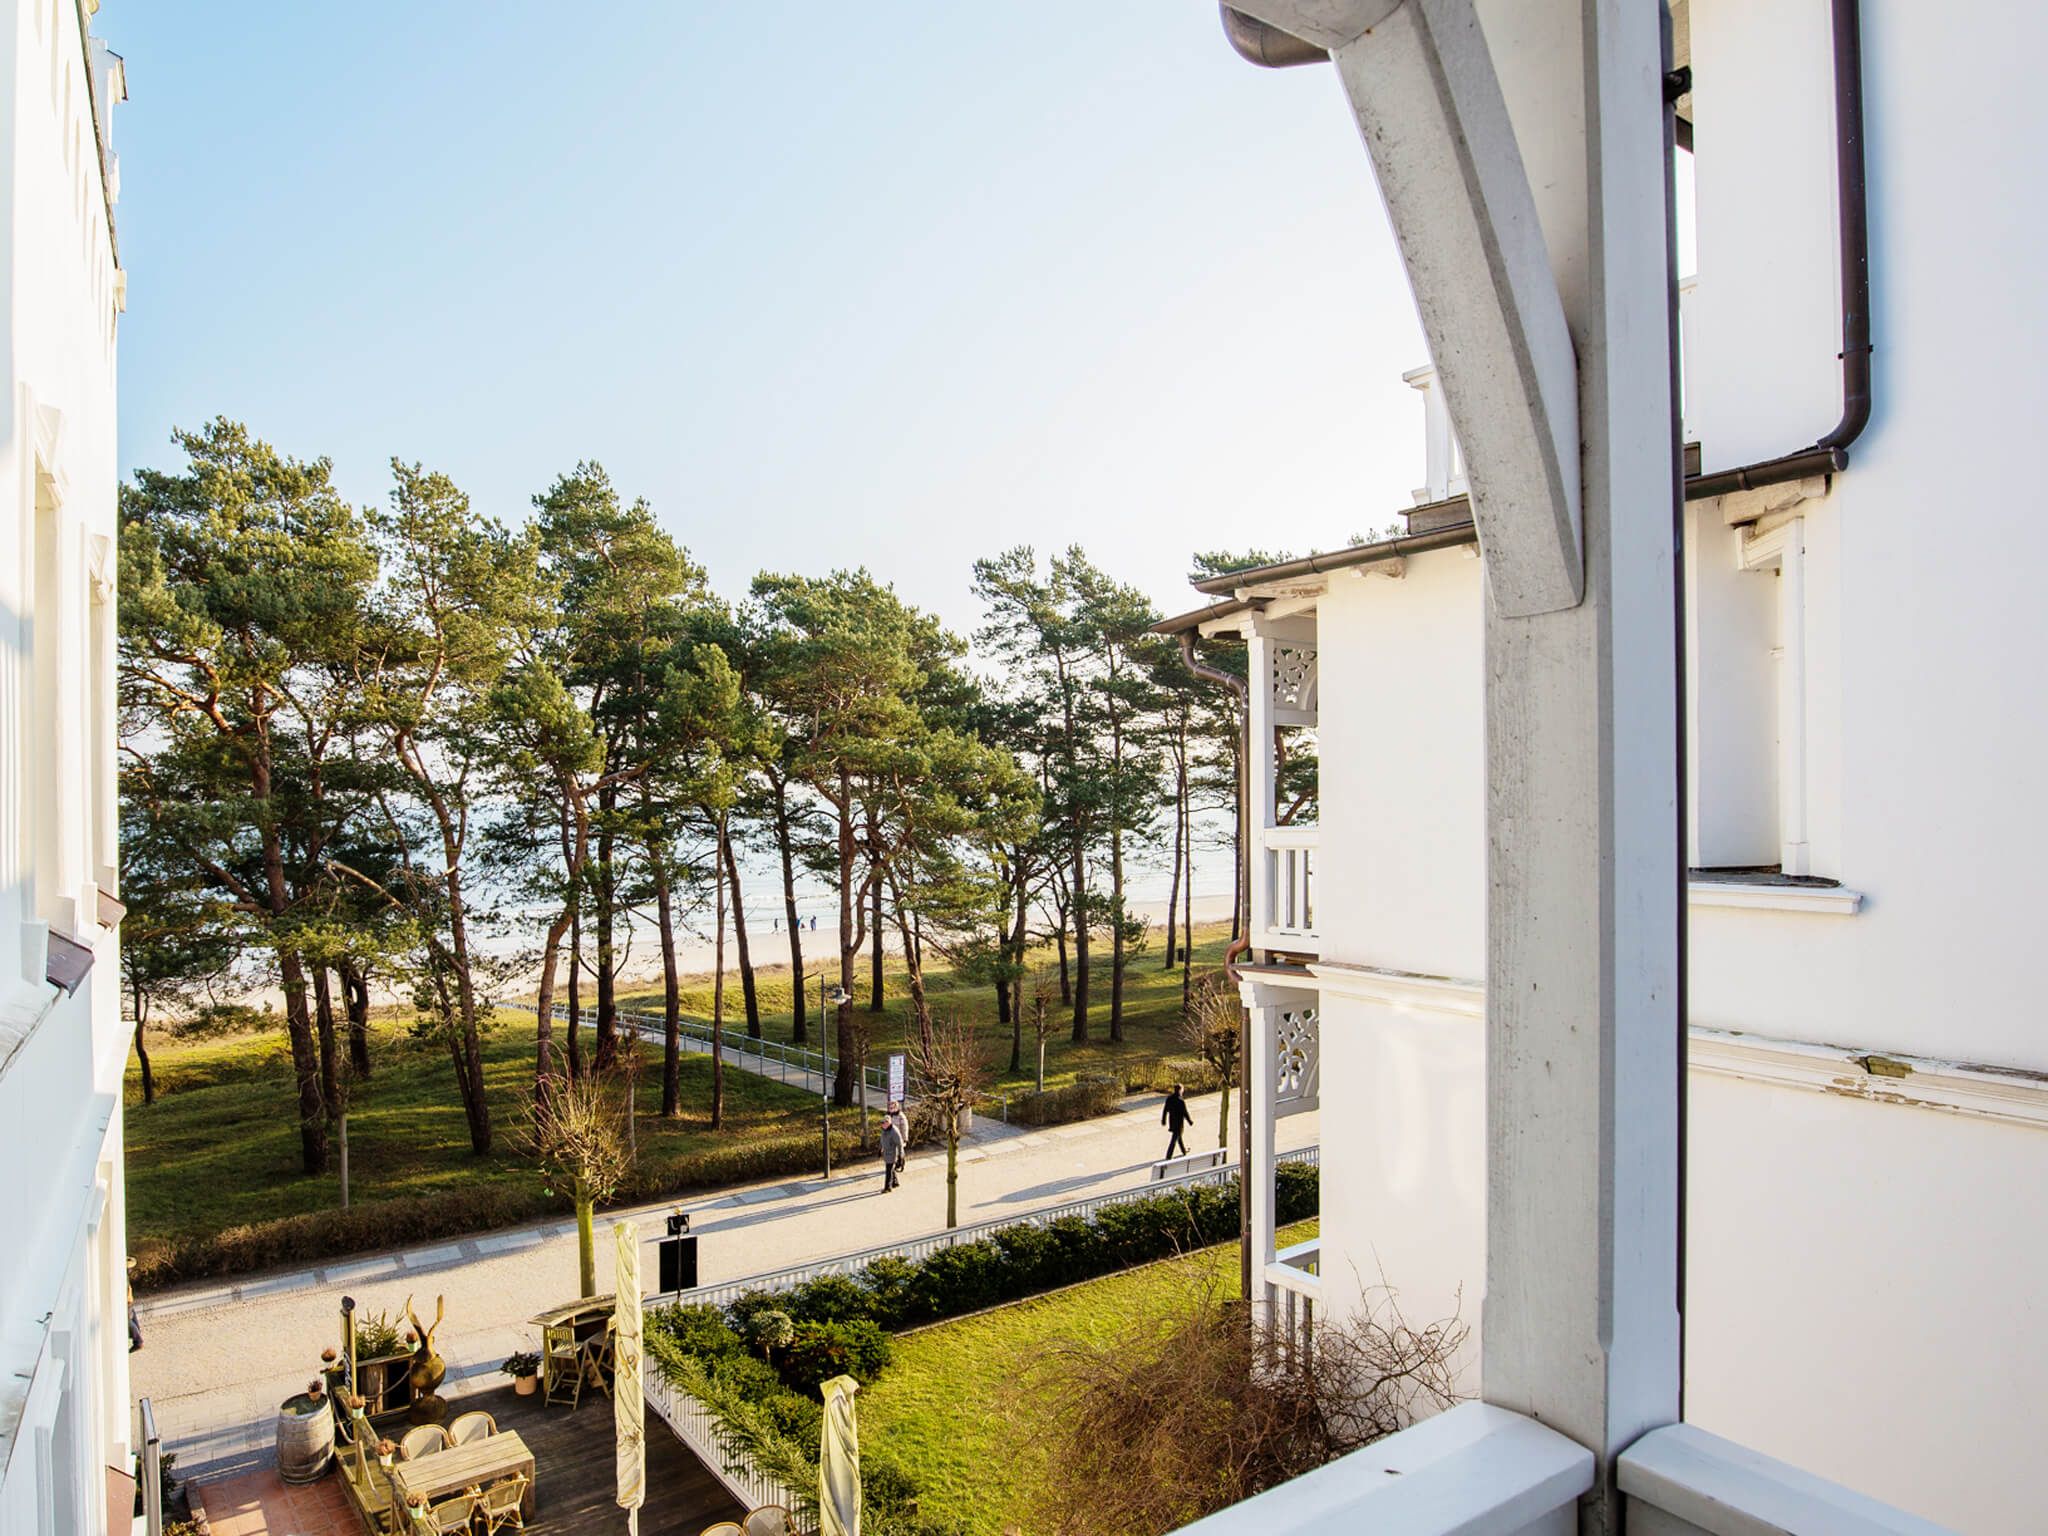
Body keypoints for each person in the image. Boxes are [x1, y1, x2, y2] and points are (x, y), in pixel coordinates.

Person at [879, 1100, 909, 1193]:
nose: (891, 1109)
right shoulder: (887, 1119)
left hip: (895, 1143)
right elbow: (883, 1138)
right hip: (889, 1144)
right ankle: (895, 1182)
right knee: (890, 1166)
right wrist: (880, 1148)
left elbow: (904, 1129)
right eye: (890, 1107)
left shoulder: (900, 1117)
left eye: (892, 1107)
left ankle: (888, 1187)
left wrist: (904, 1141)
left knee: (889, 1167)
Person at [1162, 1083, 1192, 1160]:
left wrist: (1164, 1120)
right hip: (1179, 1123)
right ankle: (1168, 1156)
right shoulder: (1181, 1101)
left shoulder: (1169, 1099)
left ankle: (1184, 1151)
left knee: (1179, 1137)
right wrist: (1190, 1121)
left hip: (1172, 1121)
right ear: (1180, 1090)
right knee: (1174, 1139)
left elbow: (1165, 1110)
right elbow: (1185, 1112)